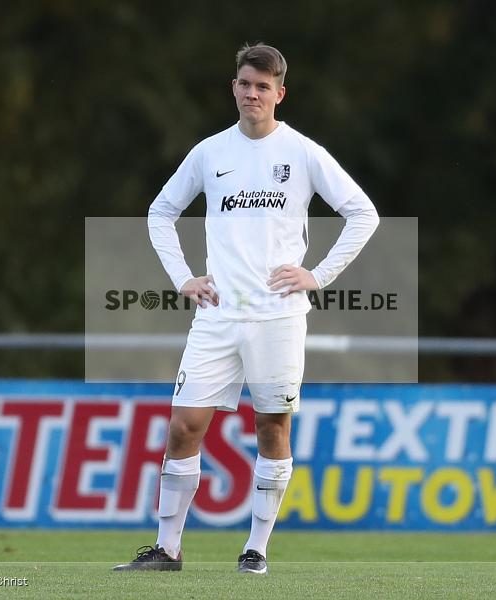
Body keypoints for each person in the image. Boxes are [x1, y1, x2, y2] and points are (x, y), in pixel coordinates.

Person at [113, 43, 379, 574]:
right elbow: (161, 211)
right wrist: (183, 278)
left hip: (278, 317)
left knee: (271, 429)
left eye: (263, 86)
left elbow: (362, 213)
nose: (252, 93)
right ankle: (167, 550)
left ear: (280, 93)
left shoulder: (303, 153)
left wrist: (317, 276)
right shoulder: (211, 153)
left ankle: (255, 548)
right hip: (216, 316)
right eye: (245, 83)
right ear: (233, 88)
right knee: (184, 427)